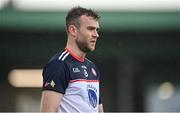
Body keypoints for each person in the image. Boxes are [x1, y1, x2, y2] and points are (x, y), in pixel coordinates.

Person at [40, 6, 104, 113]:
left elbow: (98, 109)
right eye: (90, 29)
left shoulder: (93, 68)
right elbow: (48, 111)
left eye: (97, 30)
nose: (96, 35)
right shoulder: (59, 64)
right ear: (73, 30)